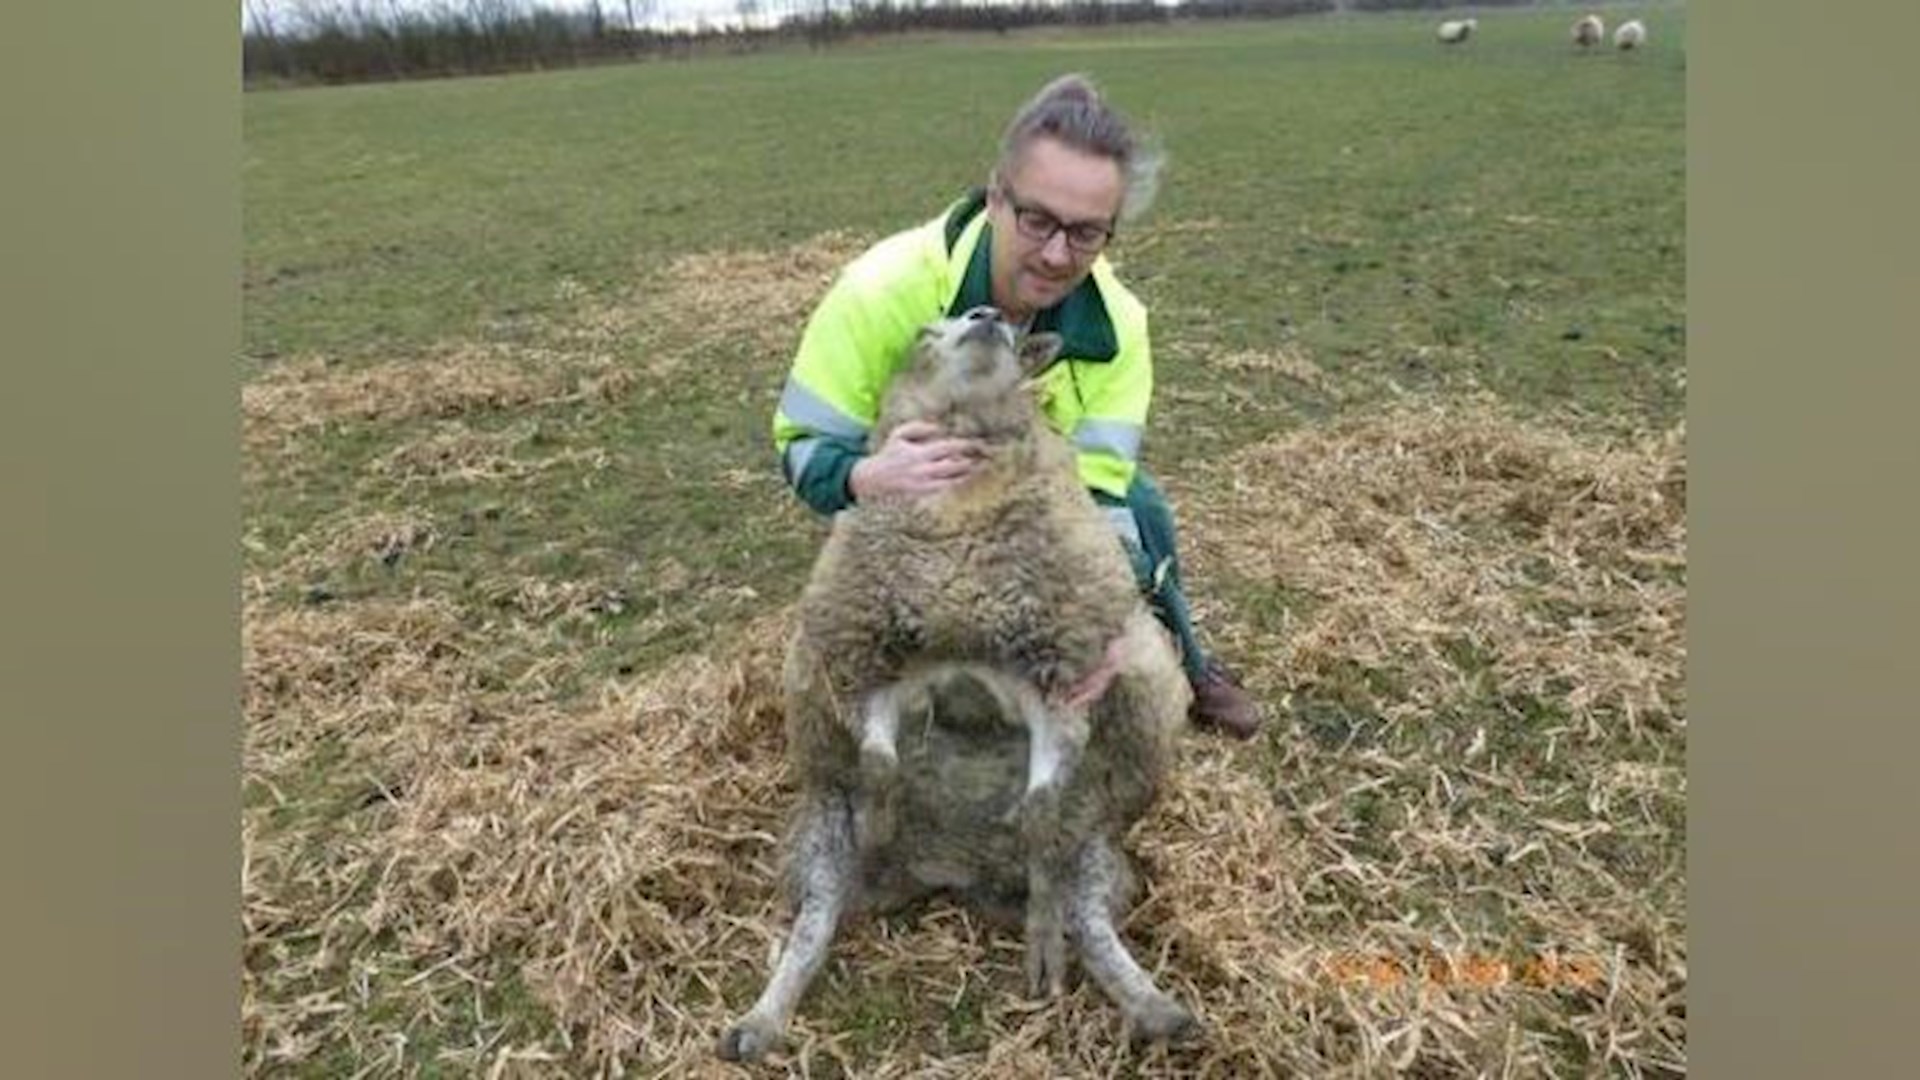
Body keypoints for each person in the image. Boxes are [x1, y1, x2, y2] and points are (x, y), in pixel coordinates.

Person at [770, 73, 1262, 739]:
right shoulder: (880, 292)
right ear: (997, 196)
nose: (1059, 255)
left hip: (1031, 509)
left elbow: (1099, 496)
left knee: (1147, 514)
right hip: (906, 497)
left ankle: (1194, 664)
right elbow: (803, 443)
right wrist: (862, 478)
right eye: (1038, 220)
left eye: (1087, 234)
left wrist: (1108, 621)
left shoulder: (1118, 327)